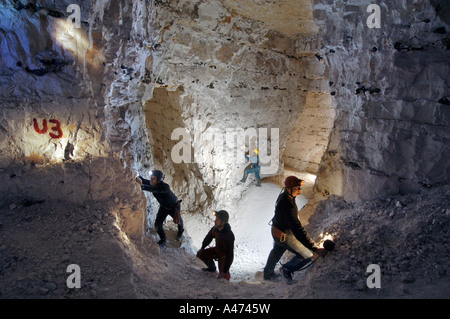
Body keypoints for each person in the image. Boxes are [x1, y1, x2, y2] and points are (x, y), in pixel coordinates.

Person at [263, 176, 327, 283]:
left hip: (277, 230)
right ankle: (286, 270)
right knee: (307, 255)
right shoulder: (287, 204)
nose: (299, 190)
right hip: (284, 234)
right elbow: (297, 228)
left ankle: (268, 274)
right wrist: (313, 247)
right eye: (297, 188)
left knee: (277, 250)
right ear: (289, 189)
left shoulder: (286, 196)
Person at [136, 170, 184, 247]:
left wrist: (142, 186)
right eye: (151, 178)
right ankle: (163, 239)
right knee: (157, 224)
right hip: (164, 207)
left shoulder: (165, 187)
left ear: (159, 180)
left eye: (153, 178)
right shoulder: (153, 183)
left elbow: (153, 189)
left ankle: (180, 232)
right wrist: (137, 175)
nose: (151, 180)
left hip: (174, 207)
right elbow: (145, 181)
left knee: (178, 221)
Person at [197, 210, 235, 280]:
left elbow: (229, 255)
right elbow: (208, 237)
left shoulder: (228, 235)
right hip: (217, 250)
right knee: (201, 254)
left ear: (223, 222)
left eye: (217, 220)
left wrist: (224, 271)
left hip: (225, 256)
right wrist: (202, 248)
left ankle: (227, 284)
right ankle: (212, 267)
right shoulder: (215, 229)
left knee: (223, 277)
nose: (215, 221)